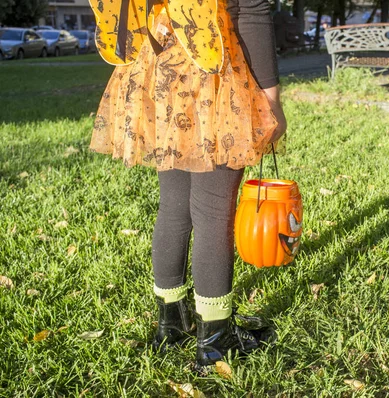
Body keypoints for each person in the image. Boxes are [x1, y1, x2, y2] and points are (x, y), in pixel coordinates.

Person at [89, 0, 286, 370]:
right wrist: (271, 100)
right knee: (214, 210)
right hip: (217, 69)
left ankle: (172, 323)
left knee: (174, 204)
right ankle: (215, 342)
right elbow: (252, 10)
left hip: (159, 68)